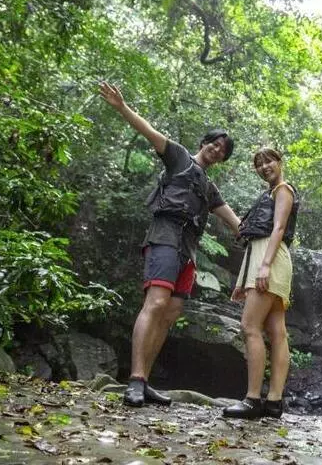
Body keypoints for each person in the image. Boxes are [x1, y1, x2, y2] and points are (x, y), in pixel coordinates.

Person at [99, 81, 241, 407]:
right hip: (165, 236)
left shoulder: (210, 188)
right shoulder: (179, 157)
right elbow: (149, 131)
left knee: (171, 312)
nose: (217, 150)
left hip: (188, 250)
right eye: (215, 143)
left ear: (223, 158)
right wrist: (122, 107)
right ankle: (135, 380)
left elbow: (235, 223)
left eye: (223, 150)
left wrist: (272, 234)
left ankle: (145, 380)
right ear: (204, 143)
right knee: (156, 303)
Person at [223, 147, 299, 419]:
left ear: (279, 162)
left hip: (270, 257)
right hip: (264, 256)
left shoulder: (283, 190)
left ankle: (253, 399)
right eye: (259, 164)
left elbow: (278, 228)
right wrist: (244, 278)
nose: (264, 166)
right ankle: (274, 401)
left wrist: (265, 266)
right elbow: (255, 239)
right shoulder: (269, 193)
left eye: (269, 161)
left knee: (249, 326)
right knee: (277, 331)